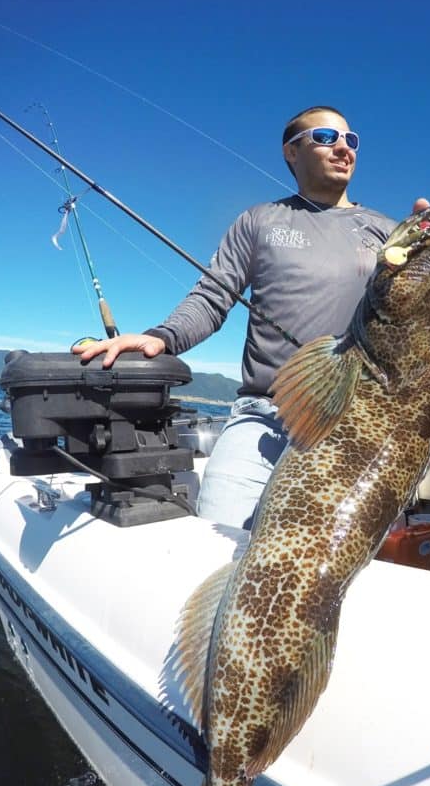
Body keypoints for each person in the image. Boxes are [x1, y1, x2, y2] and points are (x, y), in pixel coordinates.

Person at [74, 106, 400, 530]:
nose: (343, 148)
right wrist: (162, 336)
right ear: (291, 152)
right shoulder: (259, 221)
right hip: (263, 414)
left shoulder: (388, 233)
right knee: (215, 537)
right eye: (325, 137)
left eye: (350, 140)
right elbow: (212, 296)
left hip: (353, 423)